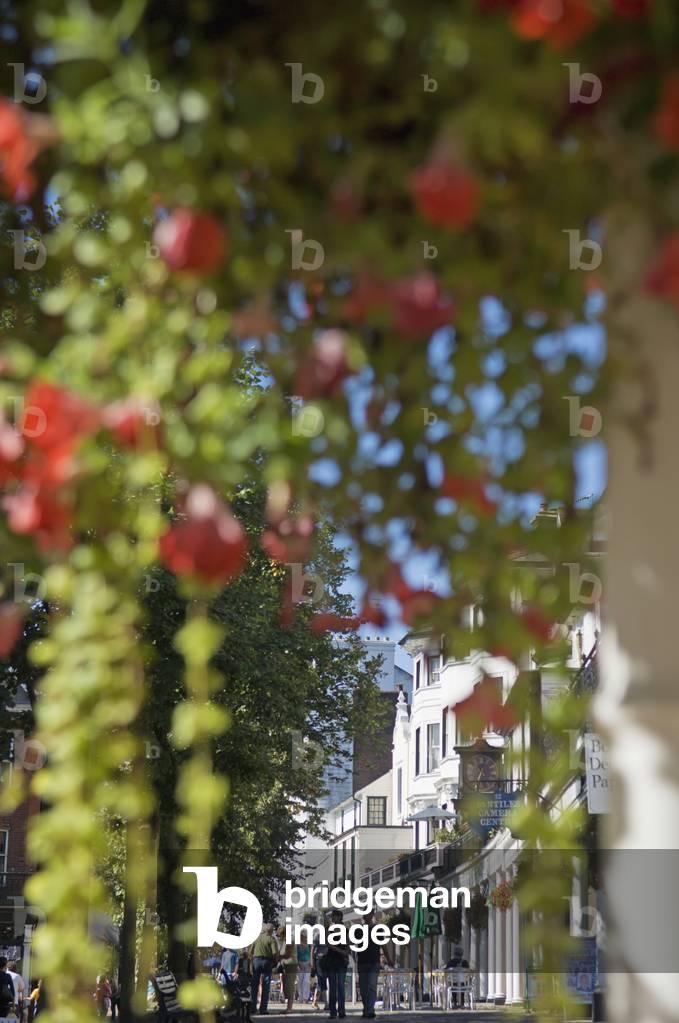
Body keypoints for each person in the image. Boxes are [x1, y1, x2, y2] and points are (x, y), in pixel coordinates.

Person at [356, 912, 392, 1019]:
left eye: (368, 914)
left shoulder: (378, 929)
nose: (366, 916)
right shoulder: (358, 930)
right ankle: (366, 1008)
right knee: (363, 988)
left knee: (371, 986)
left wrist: (388, 958)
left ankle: (370, 1010)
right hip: (362, 962)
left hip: (373, 962)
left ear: (372, 915)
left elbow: (383, 945)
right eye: (364, 914)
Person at [324, 910, 350, 1019]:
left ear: (339, 917)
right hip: (332, 960)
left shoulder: (346, 930)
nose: (332, 918)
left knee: (340, 986)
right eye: (331, 916)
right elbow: (329, 944)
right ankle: (333, 1011)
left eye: (333, 916)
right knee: (333, 987)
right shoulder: (329, 929)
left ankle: (341, 1010)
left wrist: (346, 954)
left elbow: (348, 943)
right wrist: (343, 952)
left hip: (341, 961)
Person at [249, 922, 279, 1015]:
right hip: (267, 962)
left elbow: (250, 953)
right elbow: (275, 953)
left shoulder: (257, 938)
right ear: (271, 931)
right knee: (265, 986)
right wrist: (275, 962)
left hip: (256, 962)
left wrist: (251, 965)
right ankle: (263, 1009)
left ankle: (252, 1007)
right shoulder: (271, 939)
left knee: (254, 986)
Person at [278, 938, 298, 1014]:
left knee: (289, 986)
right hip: (286, 965)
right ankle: (288, 1007)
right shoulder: (285, 940)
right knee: (286, 986)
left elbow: (288, 954)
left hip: (290, 965)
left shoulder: (289, 940)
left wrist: (279, 956)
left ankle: (289, 1008)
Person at [311, 927, 328, 1012]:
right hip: (319, 960)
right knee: (322, 981)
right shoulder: (318, 935)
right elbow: (313, 949)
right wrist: (312, 962)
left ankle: (316, 1002)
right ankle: (325, 1003)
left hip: (327, 961)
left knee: (321, 982)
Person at [296, 934, 312, 1004]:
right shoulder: (297, 945)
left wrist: (311, 962)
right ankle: (301, 997)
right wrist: (298, 965)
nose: (305, 938)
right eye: (304, 937)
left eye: (306, 937)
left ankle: (305, 998)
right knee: (300, 981)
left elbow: (311, 954)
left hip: (307, 963)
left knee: (306, 981)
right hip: (300, 963)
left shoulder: (308, 945)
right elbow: (296, 955)